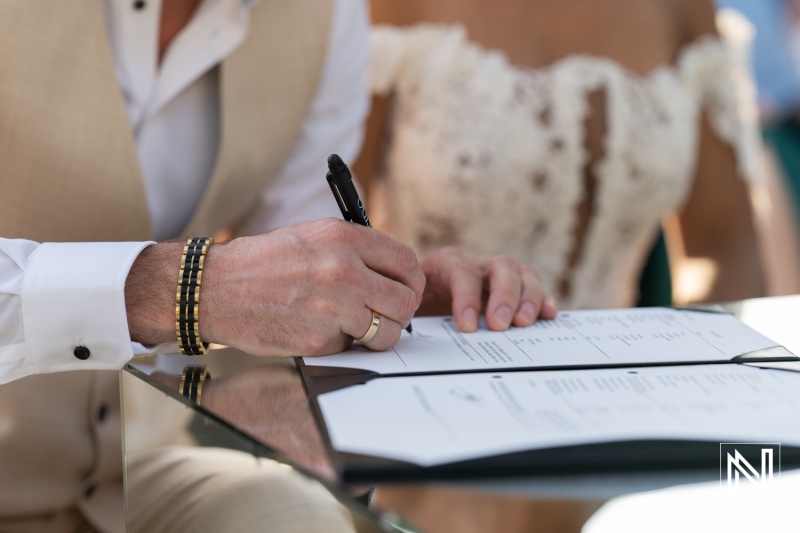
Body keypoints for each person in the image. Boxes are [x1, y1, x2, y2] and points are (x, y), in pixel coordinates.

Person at [0, 0, 554, 531]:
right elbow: (224, 290)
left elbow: (289, 282)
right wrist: (186, 288)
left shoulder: (325, 15)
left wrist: (376, 298)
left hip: (141, 461)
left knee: (295, 518)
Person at [357, 0, 766, 314]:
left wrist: (707, 374)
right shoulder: (390, 7)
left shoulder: (680, 10)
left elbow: (725, 246)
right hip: (425, 382)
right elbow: (333, 229)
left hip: (620, 390)